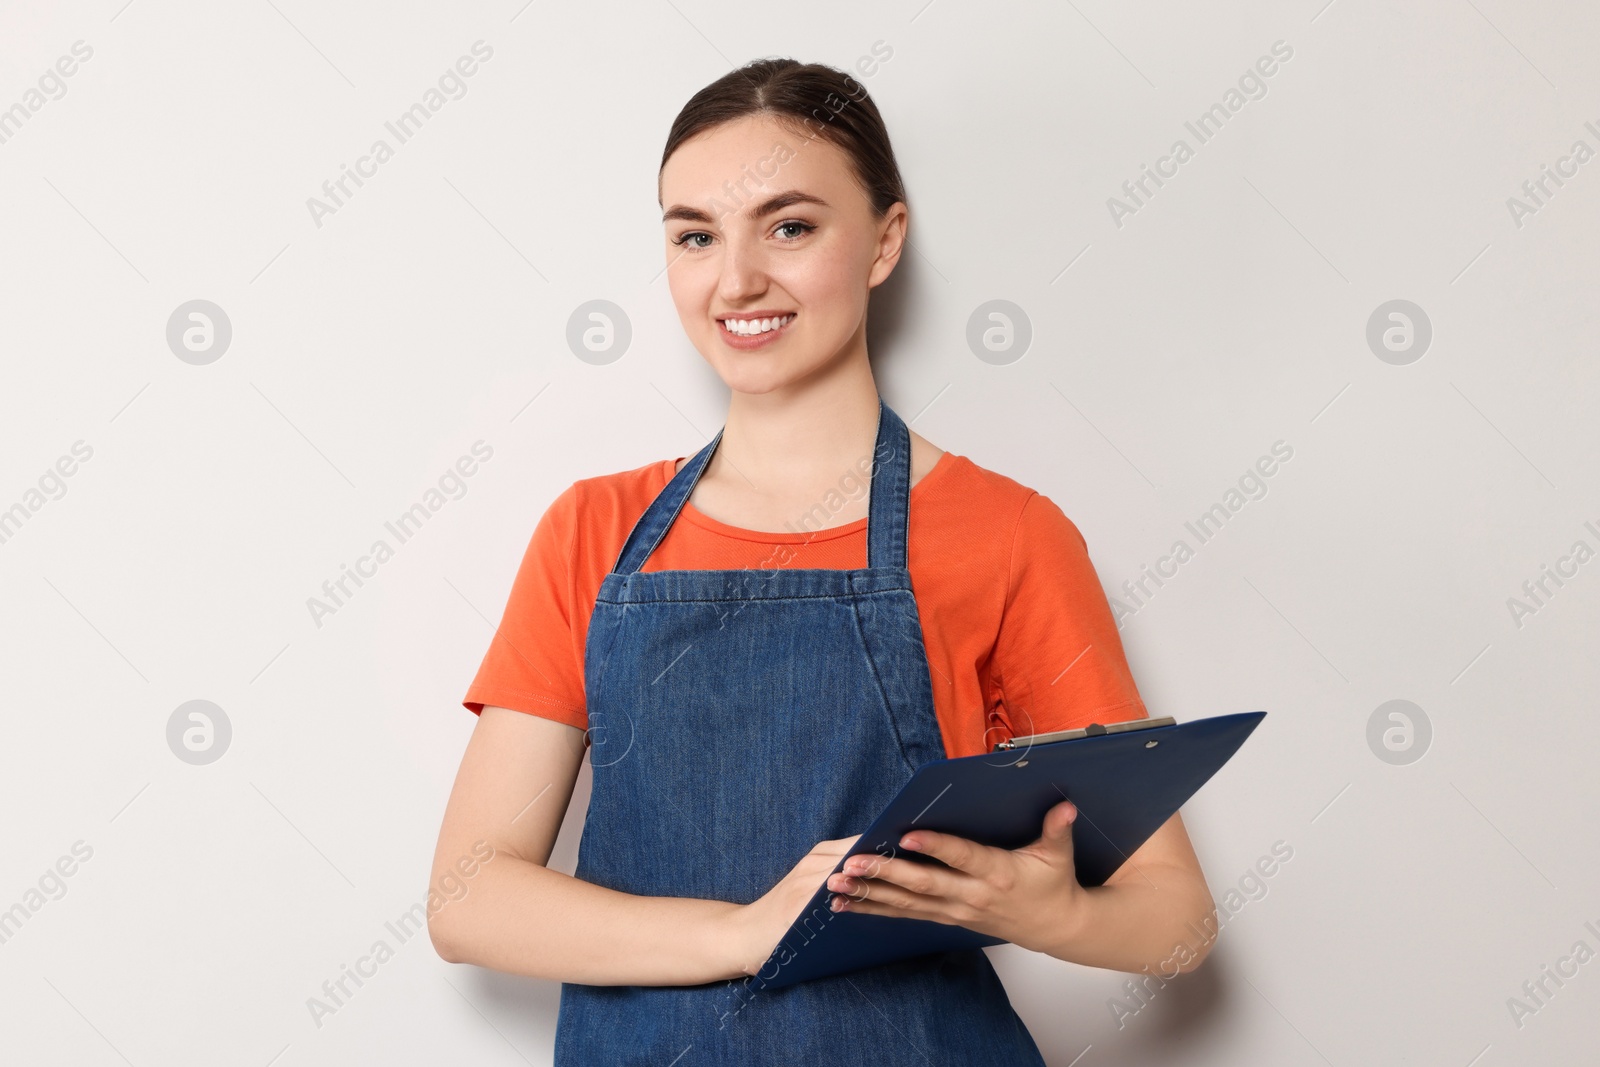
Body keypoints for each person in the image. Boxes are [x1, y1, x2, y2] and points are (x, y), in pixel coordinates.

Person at [428, 57, 1217, 1065]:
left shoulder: (1008, 532)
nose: (736, 279)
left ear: (886, 239)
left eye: (790, 225)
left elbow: (1179, 917)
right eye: (694, 235)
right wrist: (745, 928)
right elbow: (468, 896)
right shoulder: (596, 527)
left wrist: (1051, 910)